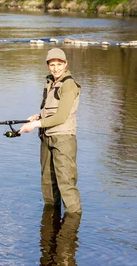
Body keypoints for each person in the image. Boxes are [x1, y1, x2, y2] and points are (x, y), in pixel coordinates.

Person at [20, 48, 82, 214]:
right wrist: (37, 116)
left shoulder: (68, 85)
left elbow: (61, 116)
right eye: (52, 64)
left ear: (65, 64)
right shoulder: (50, 82)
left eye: (59, 64)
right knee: (47, 182)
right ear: (48, 66)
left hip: (63, 140)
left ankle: (72, 223)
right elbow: (52, 109)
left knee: (66, 183)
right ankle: (50, 223)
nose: (56, 68)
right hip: (47, 137)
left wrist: (35, 124)